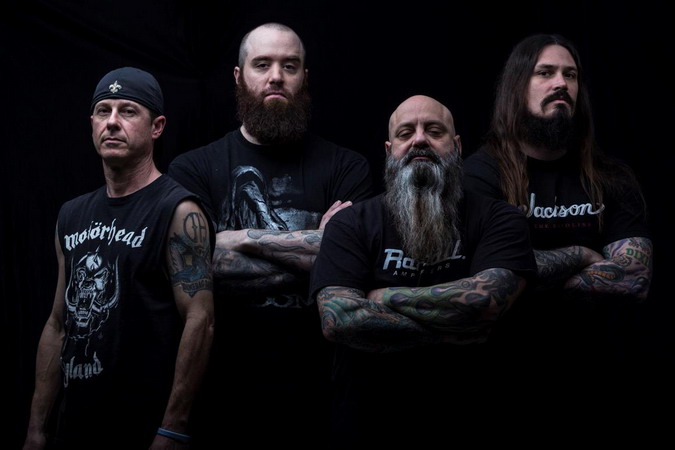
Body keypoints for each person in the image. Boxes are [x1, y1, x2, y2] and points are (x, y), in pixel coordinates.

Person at [167, 23, 374, 447]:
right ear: (238, 76)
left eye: (289, 66)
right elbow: (196, 269)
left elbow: (353, 263)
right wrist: (317, 247)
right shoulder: (193, 168)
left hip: (323, 398)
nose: (276, 76)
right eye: (262, 64)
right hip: (223, 396)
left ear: (304, 78)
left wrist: (237, 238)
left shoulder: (347, 167)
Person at [309, 95, 537, 447]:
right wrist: (444, 334)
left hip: (476, 420)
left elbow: (486, 301)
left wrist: (381, 298)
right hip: (368, 424)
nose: (419, 140)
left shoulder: (499, 218)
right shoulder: (350, 224)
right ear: (389, 151)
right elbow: (338, 318)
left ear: (457, 146)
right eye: (405, 133)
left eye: (434, 130)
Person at [23, 67, 215, 450]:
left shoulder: (178, 210)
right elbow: (58, 324)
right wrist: (36, 430)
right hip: (73, 429)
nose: (112, 122)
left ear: (157, 127)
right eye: (103, 111)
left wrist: (173, 428)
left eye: (128, 111)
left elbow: (201, 321)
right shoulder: (71, 215)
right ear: (92, 124)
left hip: (142, 430)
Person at [462, 34, 653, 405]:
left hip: (597, 371)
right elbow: (481, 279)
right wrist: (582, 255)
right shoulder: (480, 176)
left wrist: (520, 279)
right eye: (545, 73)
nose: (561, 83)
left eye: (571, 75)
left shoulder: (610, 177)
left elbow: (634, 278)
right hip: (499, 375)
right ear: (517, 87)